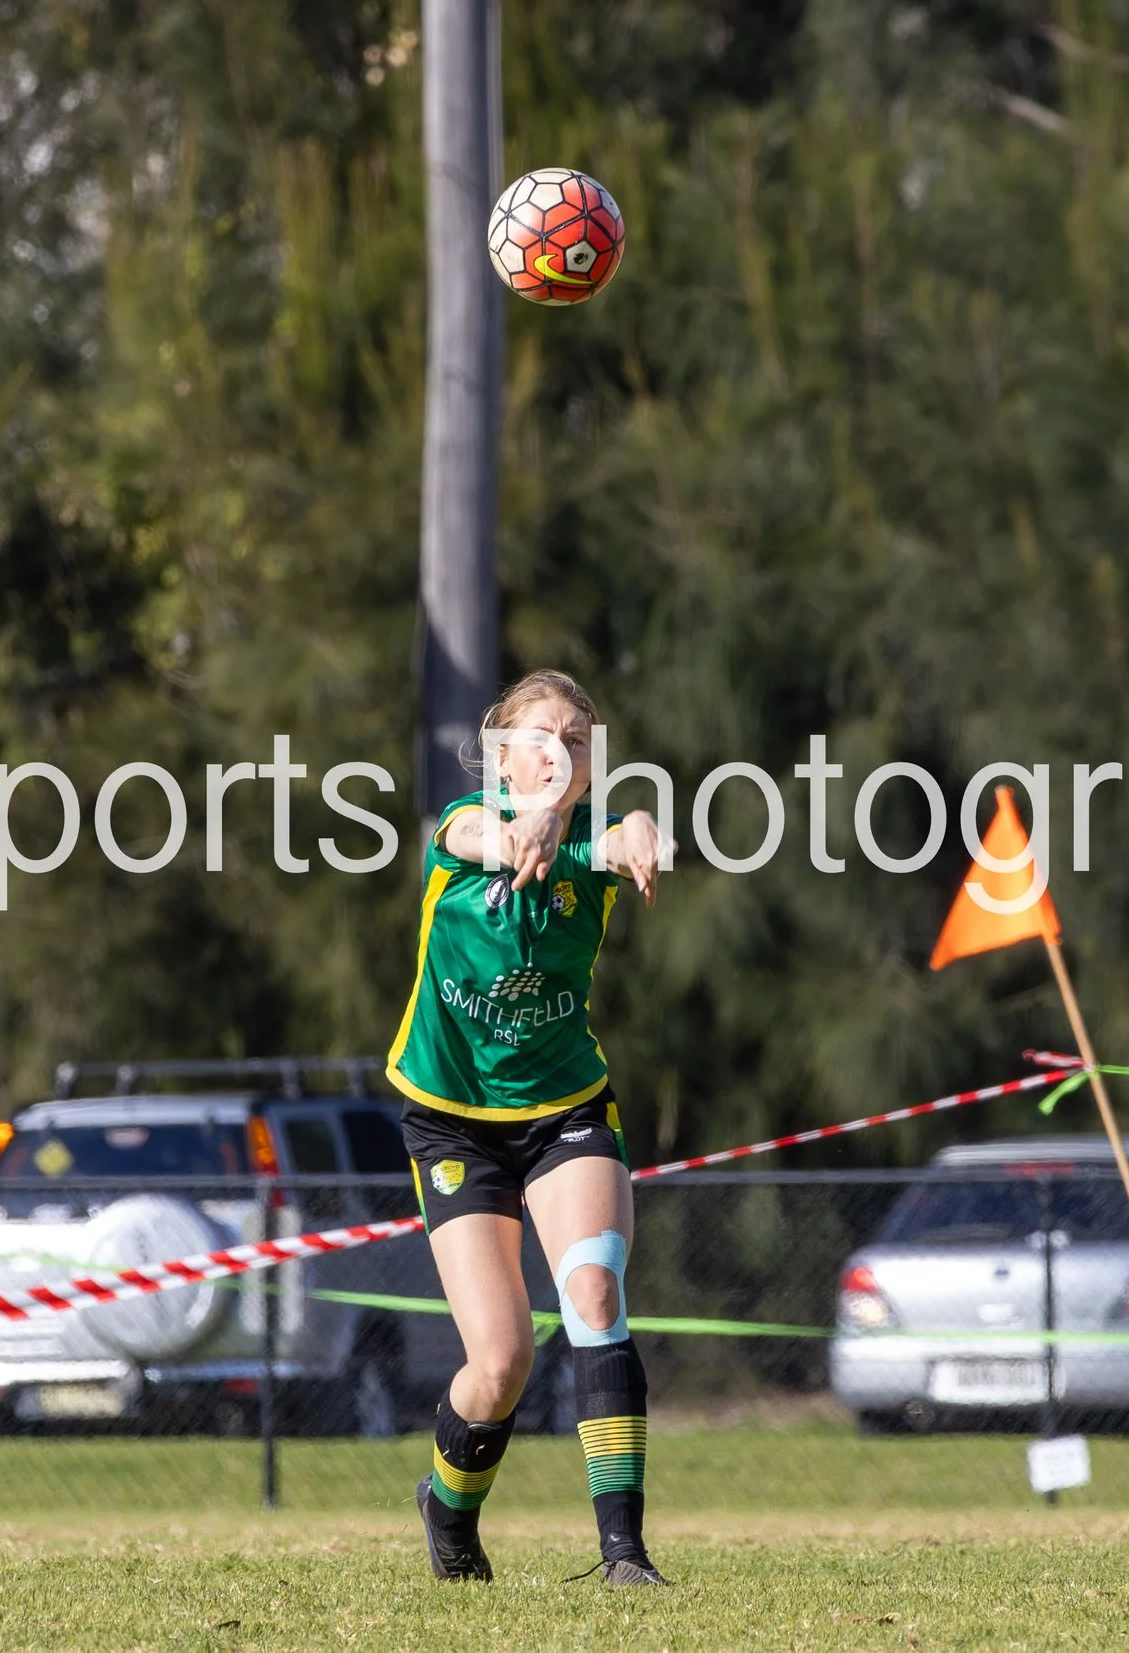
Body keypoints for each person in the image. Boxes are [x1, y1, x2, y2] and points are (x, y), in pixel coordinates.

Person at [386, 669, 670, 1586]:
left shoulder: (592, 846)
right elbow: (480, 836)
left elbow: (622, 836)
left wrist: (638, 830)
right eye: (539, 737)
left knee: (594, 1297)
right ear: (499, 755)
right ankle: (448, 1510)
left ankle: (623, 1554)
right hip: (453, 1123)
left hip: (564, 1110)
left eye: (576, 741)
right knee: (501, 1359)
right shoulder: (458, 830)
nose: (558, 752)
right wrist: (527, 824)